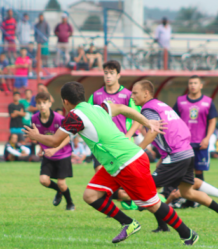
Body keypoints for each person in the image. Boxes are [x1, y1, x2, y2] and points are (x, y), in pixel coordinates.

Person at [23, 81, 198, 245]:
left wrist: (36, 136)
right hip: (116, 163)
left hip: (129, 162)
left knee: (152, 205)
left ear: (65, 101)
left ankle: (187, 233)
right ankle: (128, 223)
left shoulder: (75, 116)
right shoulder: (98, 109)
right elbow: (122, 108)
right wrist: (146, 121)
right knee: (90, 195)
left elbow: (54, 140)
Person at [131, 80, 218, 234]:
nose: (132, 96)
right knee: (188, 192)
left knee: (149, 189)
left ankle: (165, 226)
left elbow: (153, 131)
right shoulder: (161, 105)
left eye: (135, 93)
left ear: (146, 93)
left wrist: (138, 151)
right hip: (187, 151)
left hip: (176, 154)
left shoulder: (148, 109)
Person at [88, 60, 141, 172]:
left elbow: (137, 117)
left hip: (123, 142)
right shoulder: (96, 95)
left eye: (111, 73)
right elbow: (88, 116)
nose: (108, 76)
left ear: (118, 75)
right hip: (102, 143)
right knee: (100, 170)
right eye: (106, 73)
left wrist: (129, 135)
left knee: (123, 176)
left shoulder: (127, 95)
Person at [31, 92, 75, 211]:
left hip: (63, 154)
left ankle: (70, 203)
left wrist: (54, 149)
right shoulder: (34, 118)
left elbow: (67, 137)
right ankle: (59, 192)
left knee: (61, 183)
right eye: (39, 103)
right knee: (43, 180)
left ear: (50, 103)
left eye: (45, 103)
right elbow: (39, 135)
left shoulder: (59, 118)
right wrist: (41, 148)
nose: (42, 106)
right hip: (48, 155)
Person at [173, 75, 217, 181]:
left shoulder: (208, 102)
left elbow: (212, 121)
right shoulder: (180, 101)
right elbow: (174, 120)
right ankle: (185, 196)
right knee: (183, 170)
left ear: (201, 85)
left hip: (200, 143)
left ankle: (198, 197)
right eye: (191, 83)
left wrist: (207, 138)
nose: (193, 85)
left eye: (195, 83)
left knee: (198, 171)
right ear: (188, 85)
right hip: (183, 143)